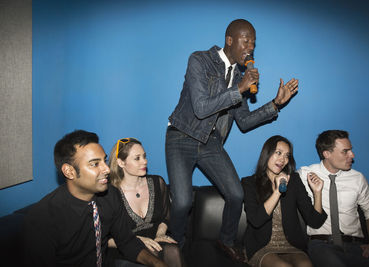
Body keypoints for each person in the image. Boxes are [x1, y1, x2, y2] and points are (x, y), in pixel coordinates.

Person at [165, 18, 299, 262]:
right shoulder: (200, 60)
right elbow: (201, 108)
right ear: (230, 40)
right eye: (246, 40)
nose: (250, 47)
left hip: (211, 142)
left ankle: (225, 241)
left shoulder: (239, 74)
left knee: (236, 195)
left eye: (254, 43)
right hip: (181, 136)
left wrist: (276, 104)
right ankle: (175, 245)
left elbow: (245, 121)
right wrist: (239, 88)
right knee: (183, 202)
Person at [23, 130, 167, 267]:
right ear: (69, 171)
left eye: (104, 161)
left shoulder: (111, 195)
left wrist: (157, 264)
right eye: (95, 164)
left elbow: (127, 243)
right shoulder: (42, 218)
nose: (107, 169)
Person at [298, 130, 369, 267]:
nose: (352, 155)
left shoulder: (357, 178)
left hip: (356, 247)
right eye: (345, 151)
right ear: (326, 154)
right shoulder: (305, 174)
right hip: (321, 245)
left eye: (351, 150)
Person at [242, 135, 327, 267]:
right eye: (278, 153)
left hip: (291, 245)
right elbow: (256, 220)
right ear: (267, 153)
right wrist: (277, 191)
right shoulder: (249, 183)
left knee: (306, 265)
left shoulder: (294, 181)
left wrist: (317, 193)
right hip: (262, 246)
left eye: (287, 155)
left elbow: (314, 221)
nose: (283, 159)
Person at [108, 137, 185, 267]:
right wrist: (134, 240)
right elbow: (105, 238)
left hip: (156, 242)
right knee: (153, 255)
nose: (145, 161)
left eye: (144, 156)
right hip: (125, 248)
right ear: (121, 162)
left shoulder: (157, 182)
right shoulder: (110, 193)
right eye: (137, 158)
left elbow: (166, 216)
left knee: (173, 251)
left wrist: (160, 234)